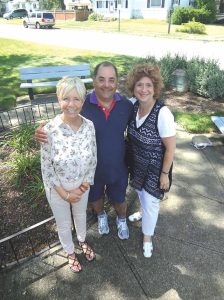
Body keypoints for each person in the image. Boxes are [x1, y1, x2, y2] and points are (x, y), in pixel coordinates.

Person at [36, 62, 133, 240]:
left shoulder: (126, 106)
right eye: (101, 79)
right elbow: (65, 115)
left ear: (117, 82)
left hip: (118, 167)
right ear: (94, 80)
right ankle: (101, 216)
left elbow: (137, 129)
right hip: (90, 170)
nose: (106, 84)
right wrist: (42, 132)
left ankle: (121, 219)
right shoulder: (83, 102)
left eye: (111, 80)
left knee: (119, 200)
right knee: (95, 199)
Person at [41, 76, 97, 273]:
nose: (71, 104)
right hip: (57, 190)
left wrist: (82, 188)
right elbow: (47, 168)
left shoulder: (89, 126)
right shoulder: (49, 130)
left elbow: (93, 160)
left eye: (77, 99)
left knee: (80, 216)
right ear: (58, 99)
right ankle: (70, 252)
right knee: (64, 224)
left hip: (82, 188)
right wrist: (66, 195)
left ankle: (82, 241)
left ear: (83, 101)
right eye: (66, 98)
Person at [126, 64, 176, 258]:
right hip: (137, 165)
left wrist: (165, 174)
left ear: (155, 88)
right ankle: (144, 213)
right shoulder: (132, 105)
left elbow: (170, 148)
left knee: (152, 203)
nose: (144, 89)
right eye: (139, 85)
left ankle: (147, 237)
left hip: (156, 170)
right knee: (141, 196)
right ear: (133, 87)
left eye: (148, 85)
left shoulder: (163, 114)